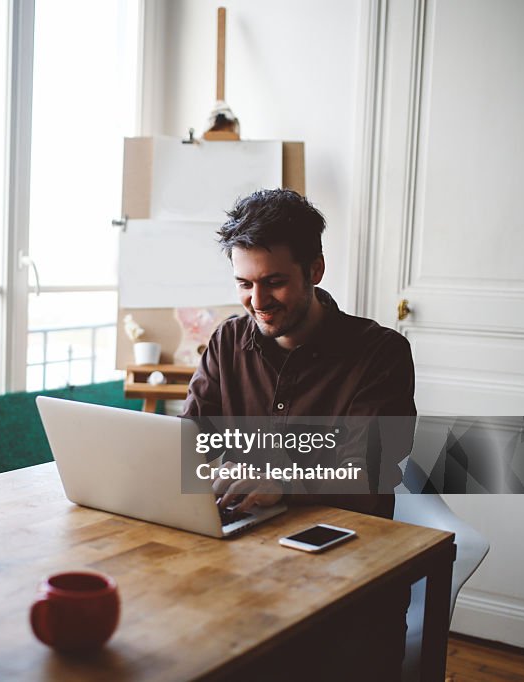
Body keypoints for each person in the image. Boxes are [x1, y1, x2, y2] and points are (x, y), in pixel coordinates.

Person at [181, 188, 415, 680]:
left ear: (315, 271)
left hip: (349, 580)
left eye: (275, 282)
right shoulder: (228, 340)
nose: (258, 301)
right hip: (244, 562)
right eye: (244, 283)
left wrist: (282, 479)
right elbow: (191, 440)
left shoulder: (381, 353)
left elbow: (369, 471)